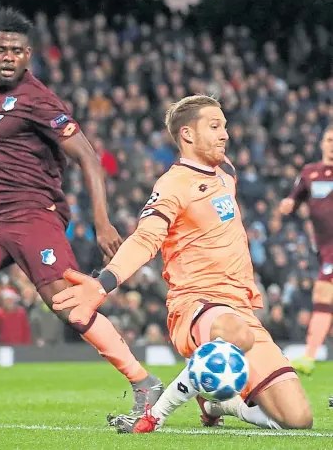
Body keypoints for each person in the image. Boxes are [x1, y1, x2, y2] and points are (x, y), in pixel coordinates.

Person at [0, 8, 162, 418]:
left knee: (68, 304)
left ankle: (143, 381)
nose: (7, 56)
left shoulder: (40, 101)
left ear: (28, 55)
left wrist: (102, 221)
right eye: (0, 48)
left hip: (35, 215)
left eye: (16, 50)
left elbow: (89, 158)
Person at [52, 95, 313, 433]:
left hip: (240, 308)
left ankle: (219, 402)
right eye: (215, 127)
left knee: (298, 420)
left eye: (225, 126)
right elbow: (146, 239)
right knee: (236, 333)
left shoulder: (226, 172)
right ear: (187, 134)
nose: (225, 135)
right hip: (196, 303)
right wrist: (103, 283)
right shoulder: (173, 185)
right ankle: (154, 415)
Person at [279, 126, 333, 375]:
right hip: (325, 248)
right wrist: (289, 203)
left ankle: (310, 355)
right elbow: (295, 196)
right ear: (322, 143)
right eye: (329, 139)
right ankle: (309, 356)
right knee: (322, 296)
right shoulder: (310, 173)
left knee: (323, 292)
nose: (332, 144)